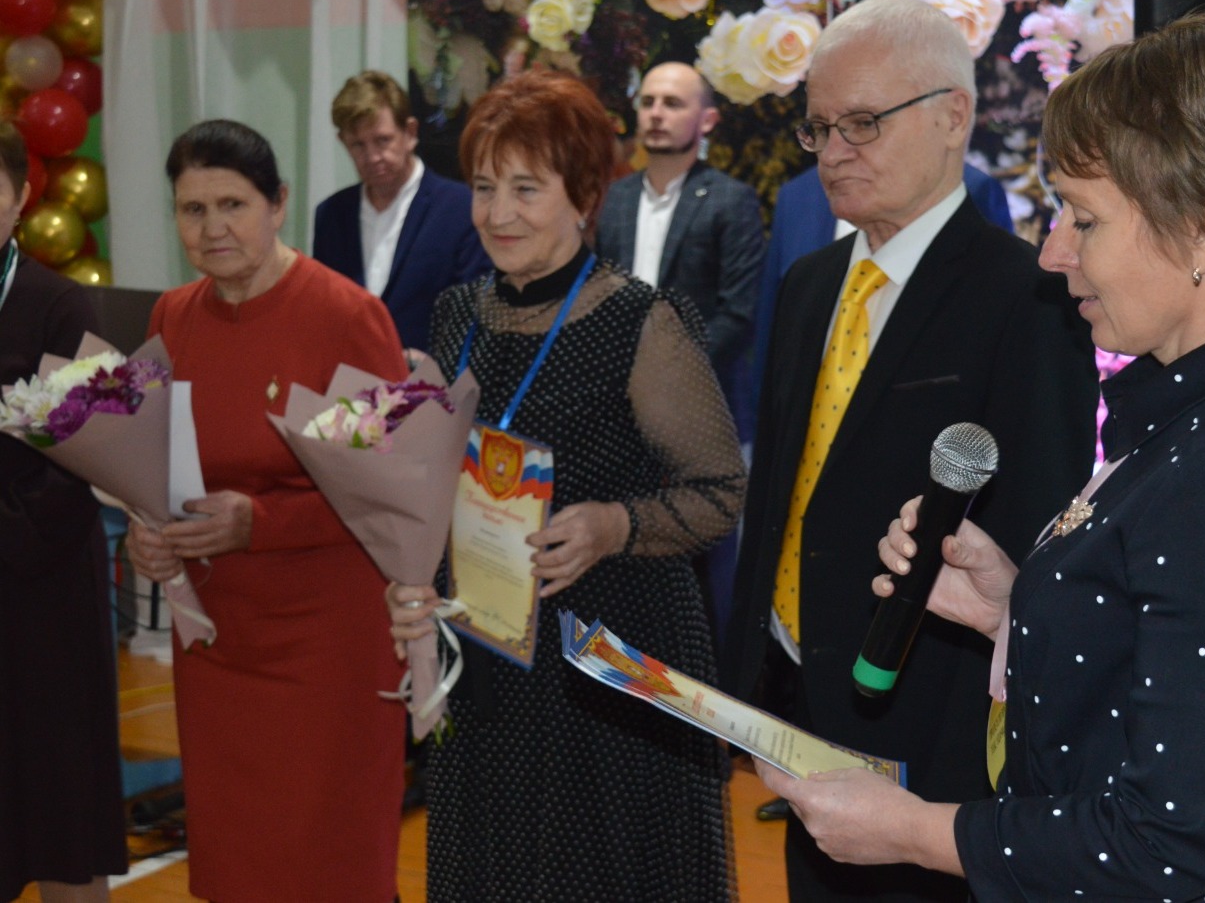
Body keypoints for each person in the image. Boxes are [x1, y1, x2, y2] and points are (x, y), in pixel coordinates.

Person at [758, 11, 1205, 903]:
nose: (1053, 254)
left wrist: (912, 830)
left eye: (1082, 219)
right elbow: (1162, 670)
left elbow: (1165, 840)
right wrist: (1016, 609)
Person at [723, 0, 1098, 901]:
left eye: (862, 122)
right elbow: (779, 492)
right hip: (799, 699)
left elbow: (1036, 528)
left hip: (936, 720)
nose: (833, 151)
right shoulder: (811, 282)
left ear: (952, 116)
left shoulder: (1027, 297)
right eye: (818, 127)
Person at [387, 68, 746, 901]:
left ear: (584, 195)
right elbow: (439, 480)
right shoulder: (457, 314)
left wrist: (612, 524)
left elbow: (721, 489)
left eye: (526, 188)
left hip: (609, 659)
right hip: (487, 647)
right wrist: (416, 578)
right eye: (483, 187)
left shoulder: (640, 320)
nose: (497, 213)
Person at [125, 119, 407, 902]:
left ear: (278, 203)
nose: (212, 228)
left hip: (329, 641)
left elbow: (392, 494)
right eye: (192, 209)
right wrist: (148, 537)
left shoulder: (348, 316)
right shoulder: (171, 316)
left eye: (233, 204)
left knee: (330, 861)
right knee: (237, 860)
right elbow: (152, 468)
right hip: (217, 640)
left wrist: (262, 523)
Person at [0, 122, 128, 903]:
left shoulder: (58, 303)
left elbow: (90, 459)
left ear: (20, 197)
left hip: (42, 593)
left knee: (61, 813)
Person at [750, 160, 1014, 441]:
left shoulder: (972, 188)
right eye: (820, 135)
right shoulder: (796, 194)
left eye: (862, 131)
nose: (835, 151)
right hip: (803, 439)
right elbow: (771, 330)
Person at [596, 61, 765, 440]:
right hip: (614, 407)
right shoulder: (615, 197)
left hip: (703, 406)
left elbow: (738, 314)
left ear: (707, 120)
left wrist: (665, 371)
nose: (656, 114)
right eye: (648, 102)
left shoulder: (731, 200)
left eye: (672, 103)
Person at [313, 69, 488, 357]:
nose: (372, 157)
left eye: (383, 140)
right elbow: (324, 314)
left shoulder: (460, 207)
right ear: (343, 142)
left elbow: (477, 315)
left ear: (410, 133)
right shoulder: (331, 215)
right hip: (348, 380)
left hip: (435, 379)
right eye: (358, 145)